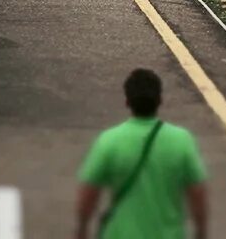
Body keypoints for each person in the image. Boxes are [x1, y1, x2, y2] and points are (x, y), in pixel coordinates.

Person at [76, 69, 207, 239]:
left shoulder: (109, 141)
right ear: (160, 100)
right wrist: (201, 233)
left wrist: (82, 230)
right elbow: (197, 193)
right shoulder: (182, 141)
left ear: (127, 102)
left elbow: (89, 192)